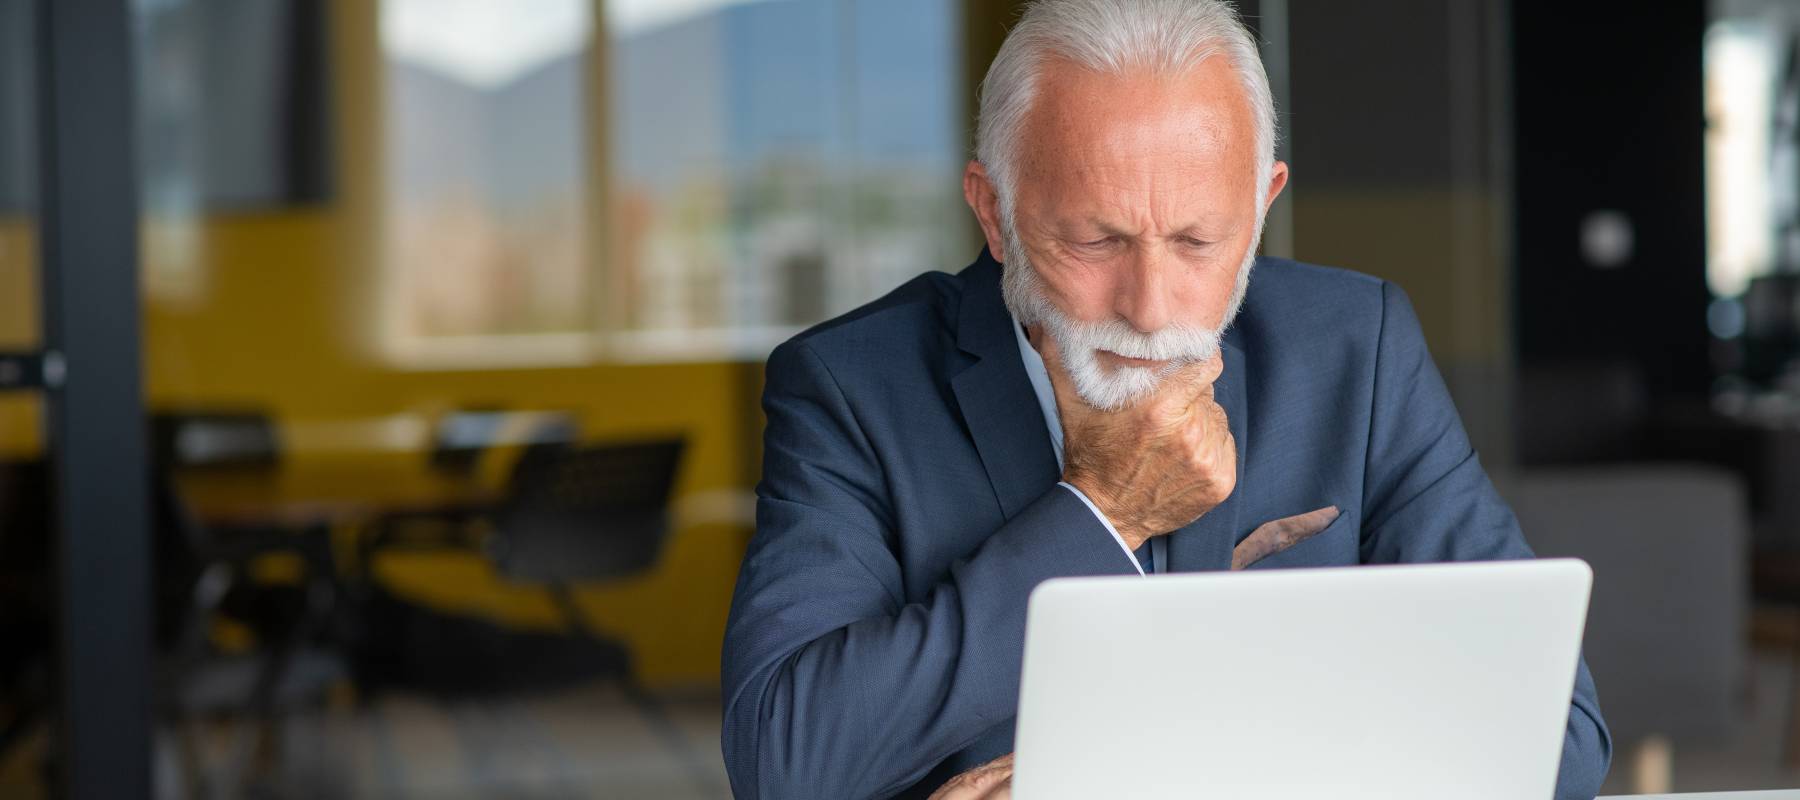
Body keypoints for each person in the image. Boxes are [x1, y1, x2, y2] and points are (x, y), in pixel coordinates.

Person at [721, 1, 1612, 797]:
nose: (1150, 310)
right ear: (994, 213)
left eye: (1197, 241)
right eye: (1095, 239)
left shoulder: (1356, 346)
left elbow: (1555, 738)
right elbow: (785, 763)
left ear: (1262, 207)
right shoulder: (851, 385)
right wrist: (1099, 512)